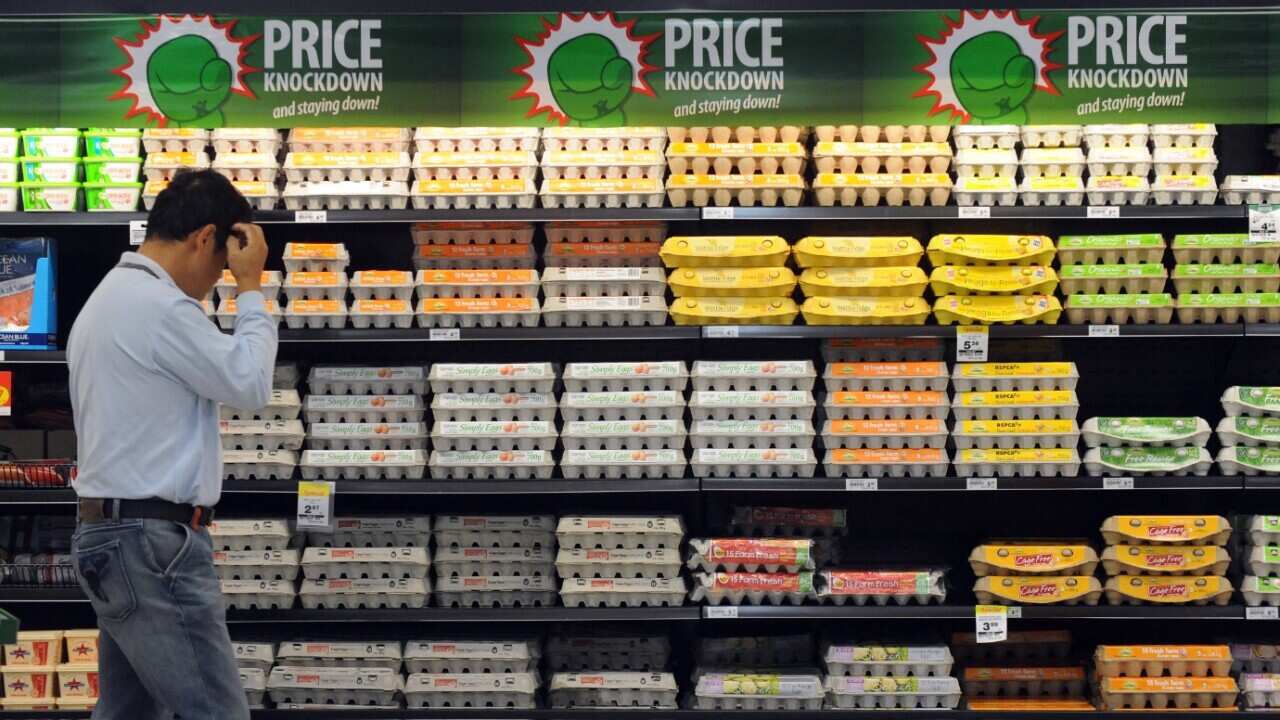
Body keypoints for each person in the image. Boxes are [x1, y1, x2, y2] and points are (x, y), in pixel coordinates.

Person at [67, 169, 276, 720]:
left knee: (129, 712)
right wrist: (251, 288)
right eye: (221, 265)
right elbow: (251, 383)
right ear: (205, 238)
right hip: (152, 544)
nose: (216, 280)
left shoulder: (107, 299)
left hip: (110, 537)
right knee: (217, 711)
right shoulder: (160, 308)